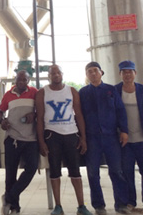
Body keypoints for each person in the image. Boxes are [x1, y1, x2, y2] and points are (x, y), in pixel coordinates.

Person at [36, 64, 91, 215]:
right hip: (52, 135)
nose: (55, 75)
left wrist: (83, 138)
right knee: (54, 171)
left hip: (71, 135)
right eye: (52, 73)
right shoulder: (42, 93)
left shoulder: (71, 91)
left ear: (62, 74)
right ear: (48, 76)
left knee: (75, 171)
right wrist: (41, 142)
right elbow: (39, 118)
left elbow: (79, 114)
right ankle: (58, 206)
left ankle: (81, 206)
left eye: (58, 72)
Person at [79, 61, 130, 215]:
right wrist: (82, 137)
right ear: (86, 75)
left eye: (95, 70)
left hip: (111, 137)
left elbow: (120, 111)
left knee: (116, 171)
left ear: (101, 72)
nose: (93, 73)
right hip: (92, 138)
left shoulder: (111, 90)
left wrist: (124, 131)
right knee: (93, 173)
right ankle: (99, 206)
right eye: (89, 71)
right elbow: (79, 115)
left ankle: (121, 204)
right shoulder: (82, 93)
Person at [113, 60, 143, 213]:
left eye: (130, 71)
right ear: (120, 74)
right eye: (124, 72)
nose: (127, 74)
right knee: (127, 172)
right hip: (125, 141)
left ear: (135, 73)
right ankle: (130, 202)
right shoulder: (115, 91)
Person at [0, 70, 39, 215]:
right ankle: (14, 207)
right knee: (11, 173)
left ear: (29, 80)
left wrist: (34, 114)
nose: (21, 82)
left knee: (32, 168)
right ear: (15, 80)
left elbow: (41, 110)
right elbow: (0, 111)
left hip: (31, 139)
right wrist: (2, 121)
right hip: (12, 138)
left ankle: (8, 197)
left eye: (24, 79)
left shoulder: (35, 92)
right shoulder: (8, 95)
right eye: (19, 79)